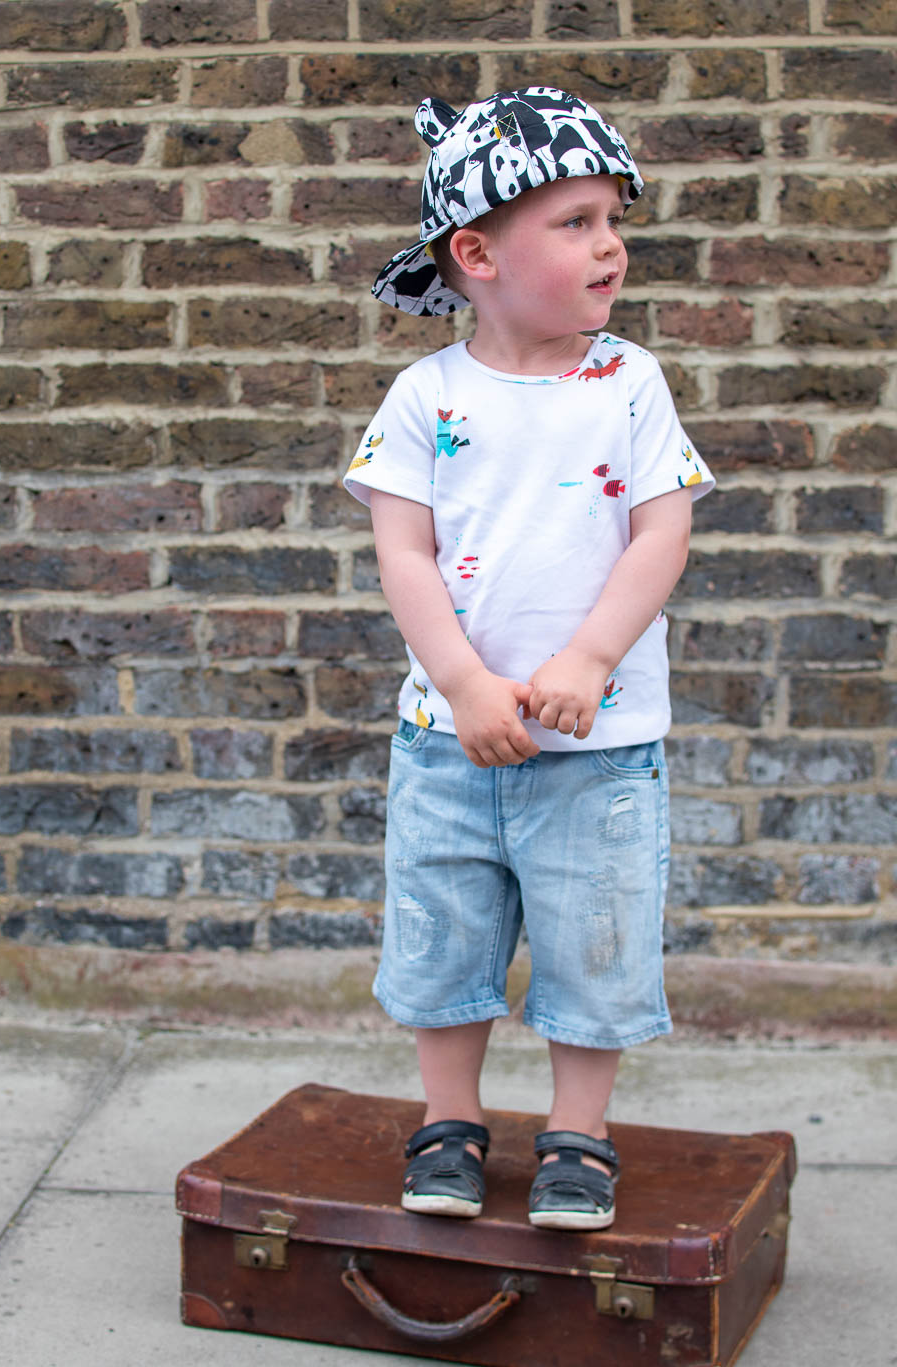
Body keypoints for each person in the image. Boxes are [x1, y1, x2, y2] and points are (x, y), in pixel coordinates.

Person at [343, 87, 714, 1231]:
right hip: (450, 741)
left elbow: (663, 528)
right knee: (441, 932)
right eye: (575, 222)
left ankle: (577, 1137)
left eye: (614, 220)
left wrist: (592, 655)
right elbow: (402, 551)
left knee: (591, 940)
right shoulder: (426, 397)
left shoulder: (627, 382)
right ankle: (448, 1120)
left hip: (593, 747)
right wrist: (461, 683)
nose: (609, 245)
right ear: (478, 252)